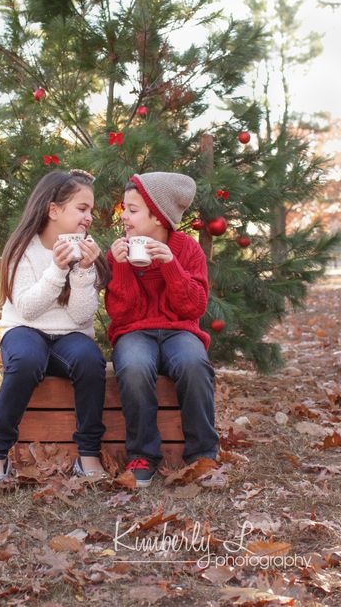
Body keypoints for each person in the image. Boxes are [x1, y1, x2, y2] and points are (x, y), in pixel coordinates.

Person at [0, 170, 110, 481]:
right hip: (24, 332)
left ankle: (89, 454)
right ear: (54, 210)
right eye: (82, 208)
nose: (88, 217)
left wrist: (82, 271)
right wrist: (57, 268)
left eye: (90, 210)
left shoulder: (86, 251)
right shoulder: (22, 248)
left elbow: (82, 316)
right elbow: (26, 308)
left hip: (70, 336)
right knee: (26, 359)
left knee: (91, 361)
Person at [105, 172, 219, 487]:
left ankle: (203, 453)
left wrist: (171, 265)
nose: (124, 217)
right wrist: (122, 266)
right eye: (124, 209)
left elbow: (194, 307)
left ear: (157, 215)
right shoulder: (119, 252)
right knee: (135, 366)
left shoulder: (187, 250)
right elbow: (119, 313)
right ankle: (142, 454)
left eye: (132, 210)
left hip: (179, 330)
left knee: (193, 364)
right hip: (134, 331)